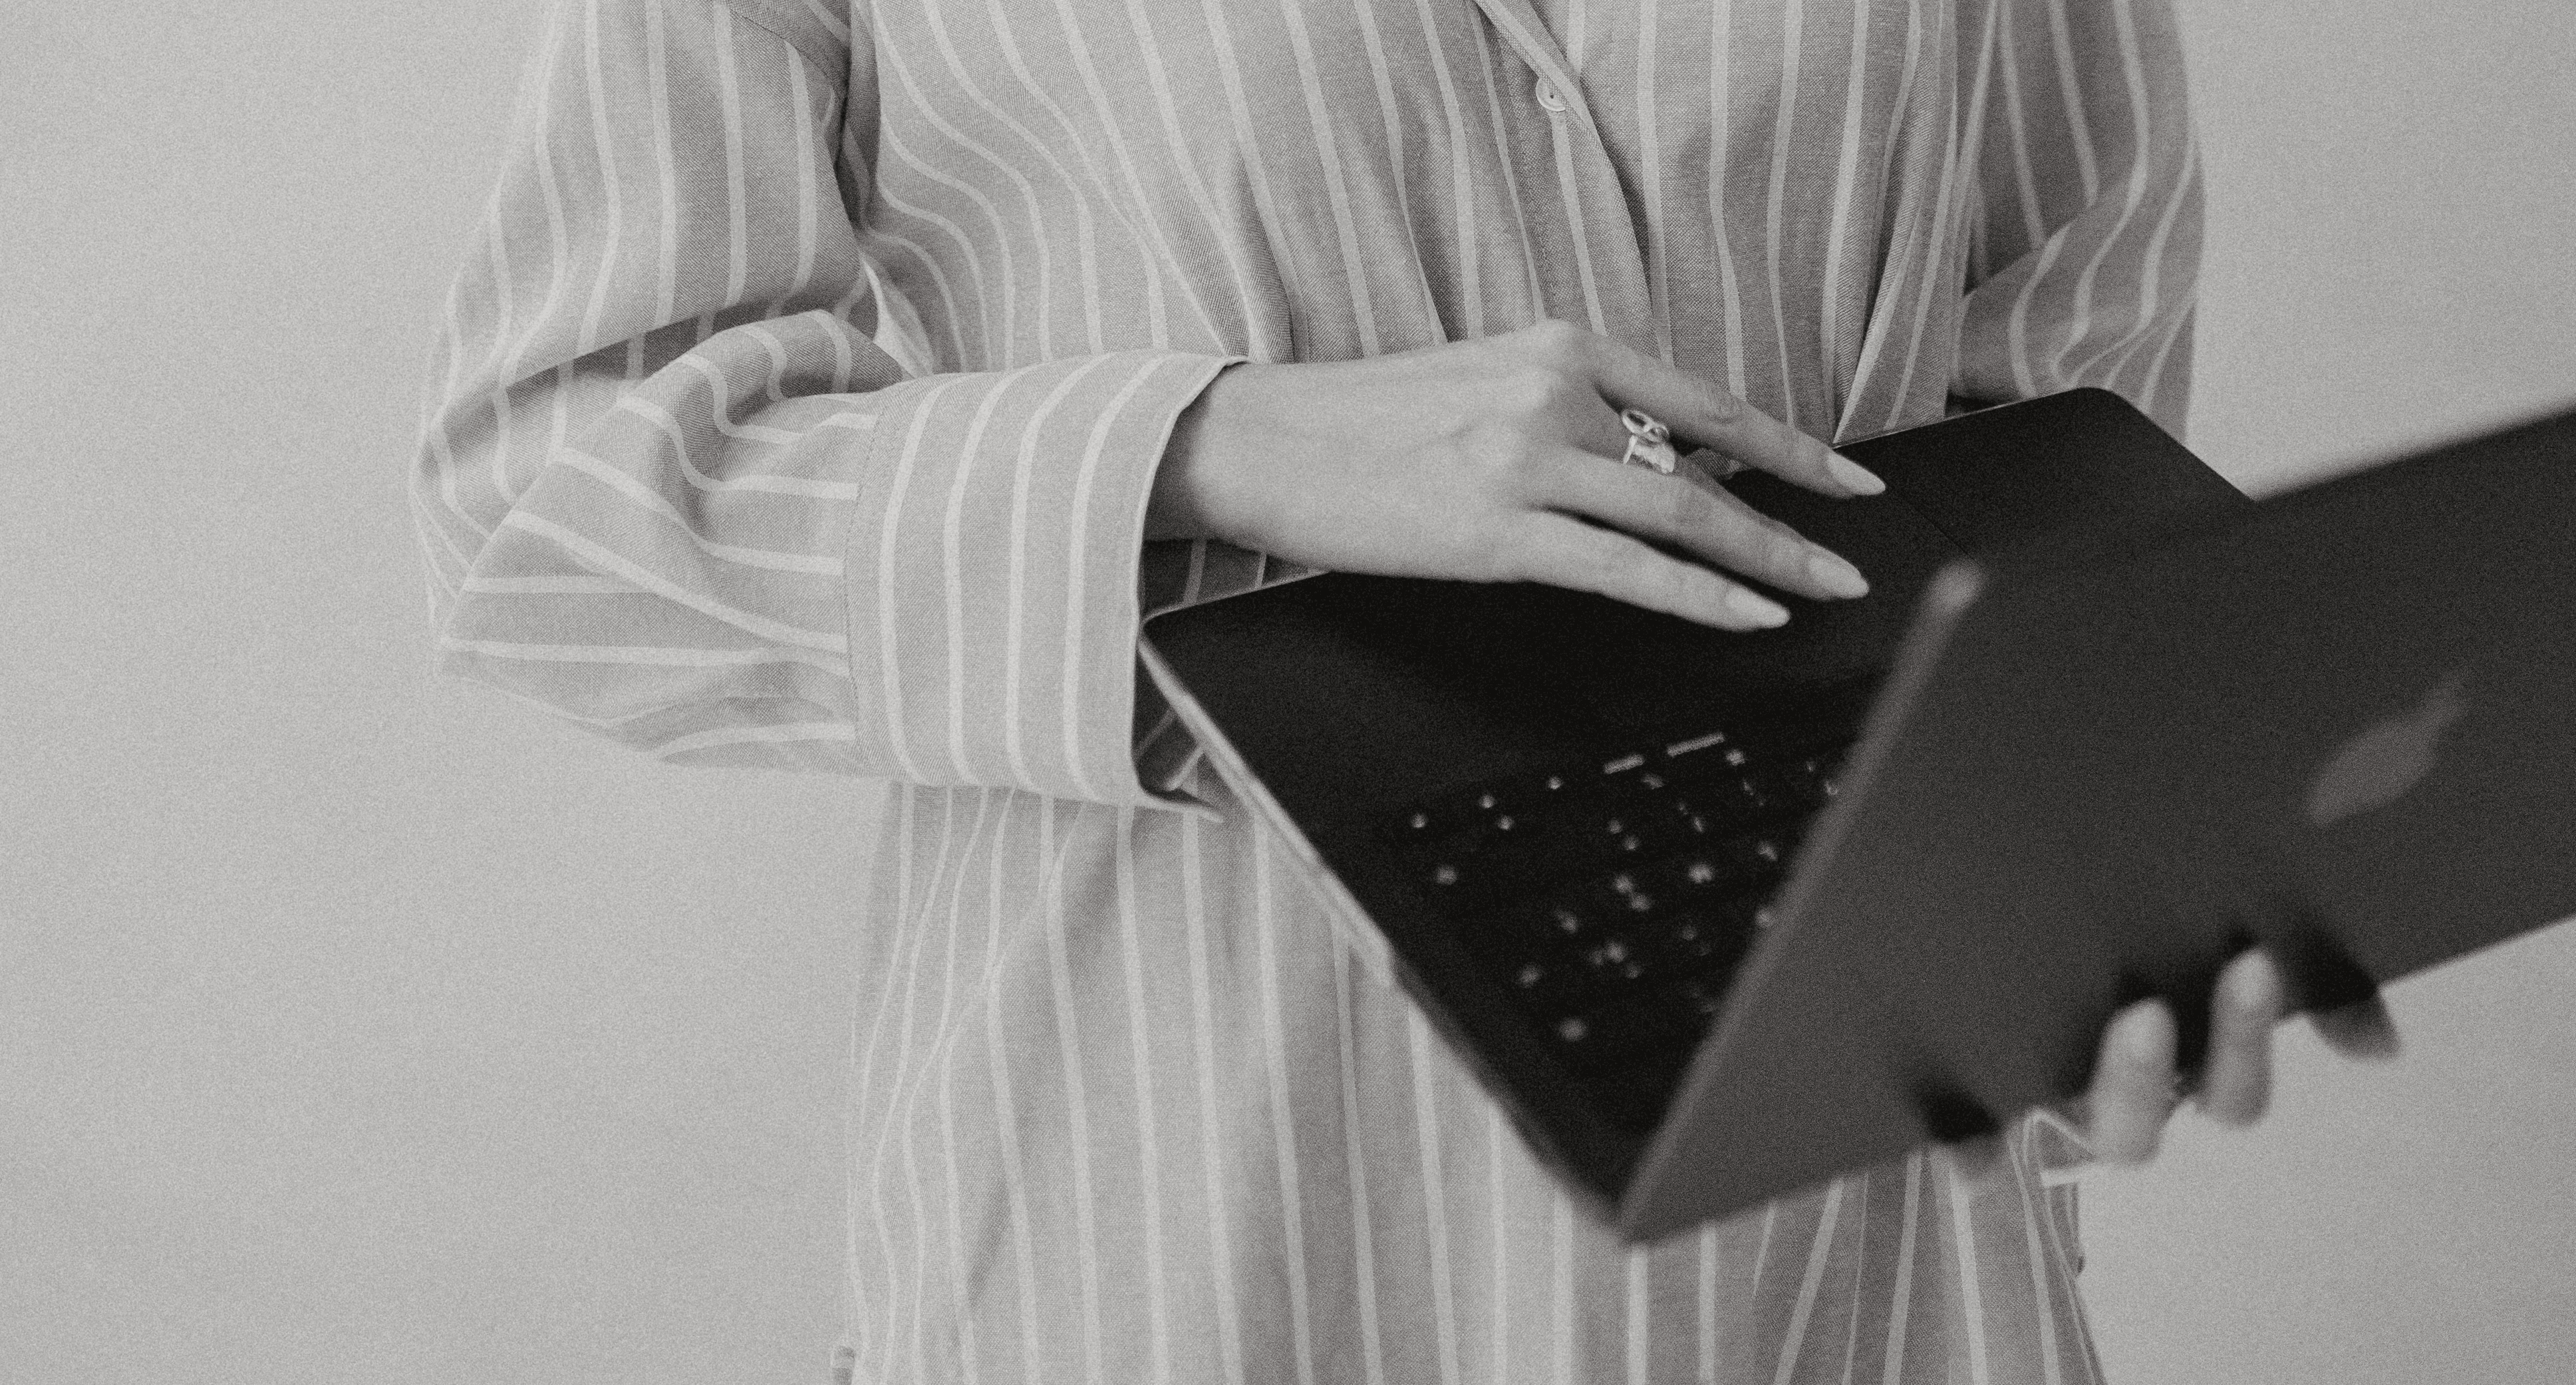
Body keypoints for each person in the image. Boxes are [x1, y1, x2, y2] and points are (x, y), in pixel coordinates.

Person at [410, 1, 2394, 1379]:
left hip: (1845, 1244)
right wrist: (1211, 446)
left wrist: (2092, 911)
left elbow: (2066, 376)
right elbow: (545, 502)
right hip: (1174, 1212)